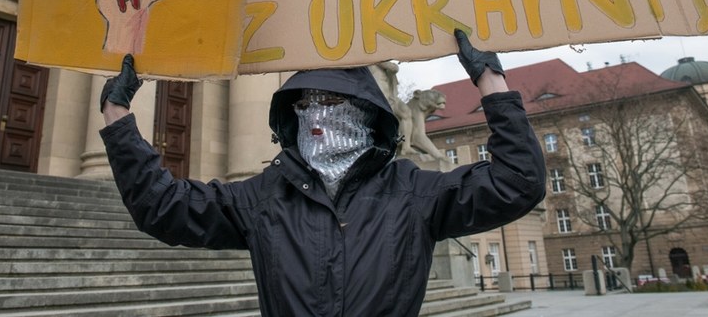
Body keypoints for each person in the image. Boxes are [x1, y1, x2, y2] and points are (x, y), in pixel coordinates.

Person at [99, 30, 546, 316]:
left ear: (365, 114)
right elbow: (163, 208)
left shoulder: (411, 192)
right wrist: (118, 118)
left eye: (330, 103)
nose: (315, 115)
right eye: (304, 103)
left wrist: (491, 83)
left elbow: (517, 183)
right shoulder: (264, 198)